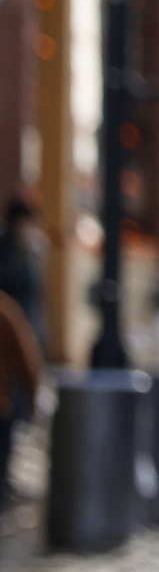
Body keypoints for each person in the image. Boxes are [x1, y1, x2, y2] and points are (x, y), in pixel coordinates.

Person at [0, 201, 43, 507]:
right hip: (10, 350)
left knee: (9, 426)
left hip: (19, 337)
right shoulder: (9, 254)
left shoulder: (26, 251)